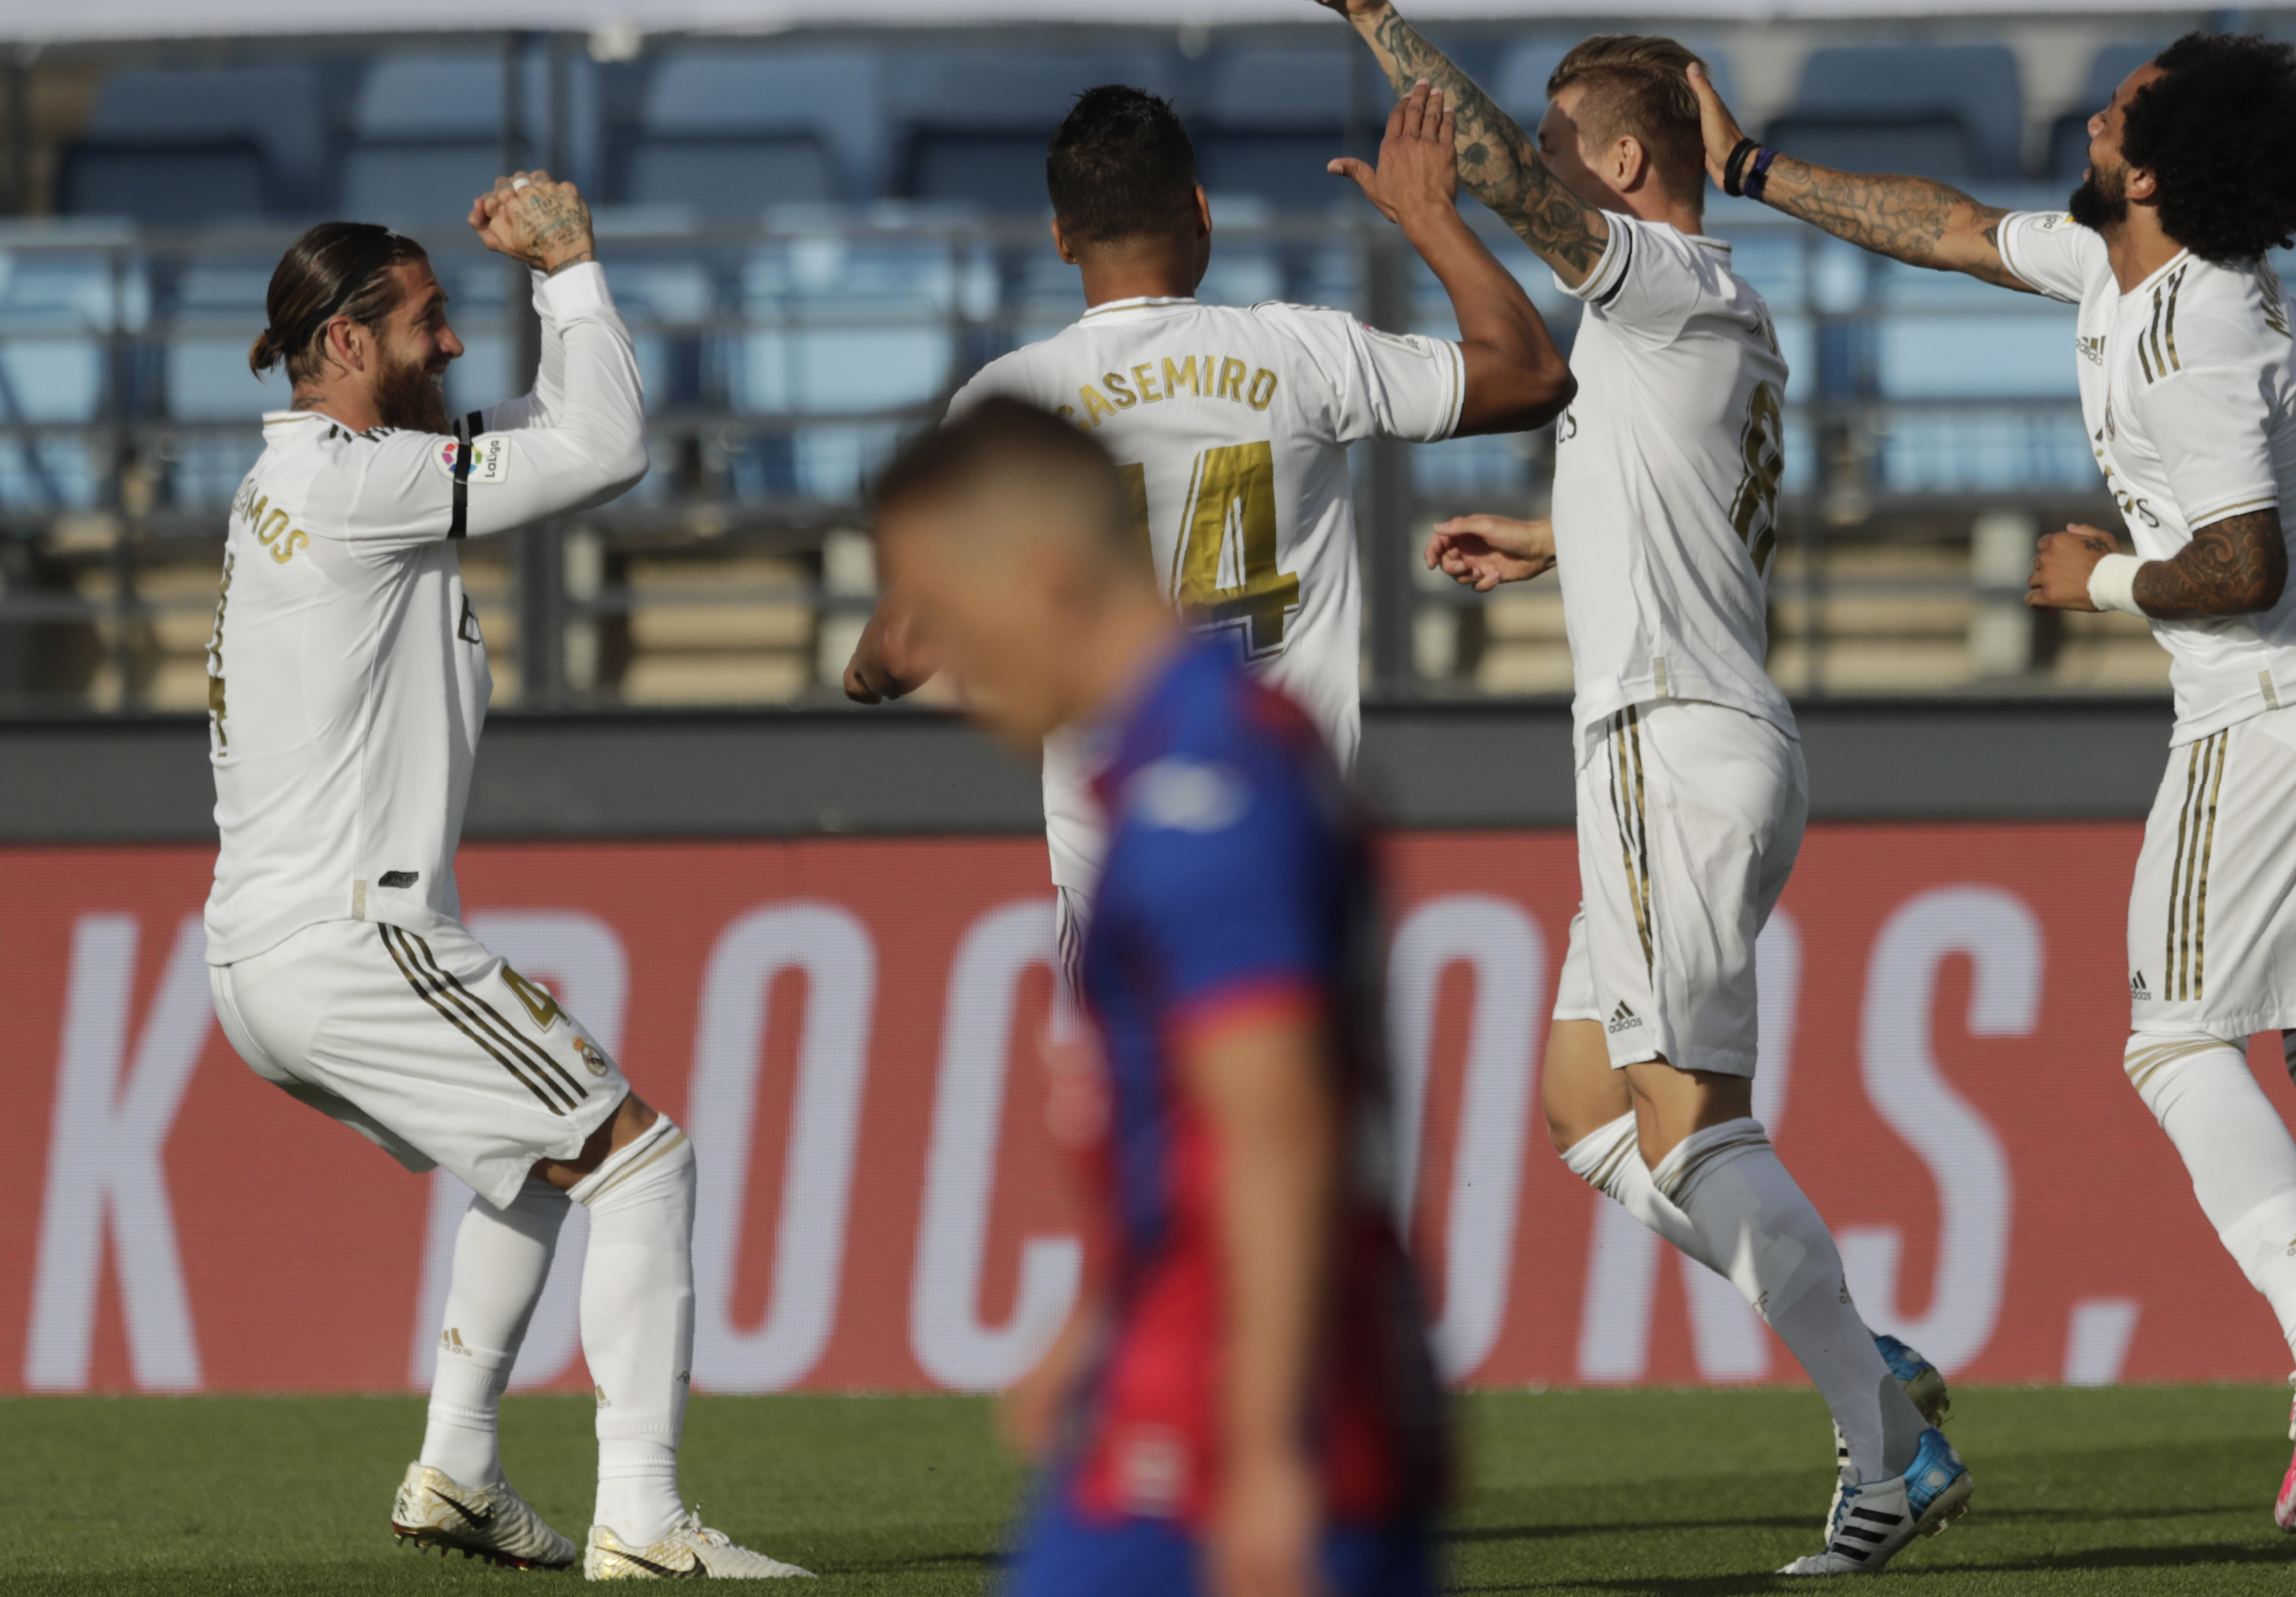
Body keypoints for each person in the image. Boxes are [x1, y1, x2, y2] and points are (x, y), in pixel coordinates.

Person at [1684, 34, 2296, 1530]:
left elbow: (2243, 562)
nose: (2088, 116)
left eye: (2115, 111)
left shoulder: (2187, 328)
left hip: (2282, 706)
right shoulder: (2125, 267)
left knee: (2170, 1042)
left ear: (2148, 169)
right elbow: (1950, 228)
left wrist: (2098, 585)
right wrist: (1754, 170)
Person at [1269, 0, 1965, 1576]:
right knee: (1588, 1107)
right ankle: (1866, 1368)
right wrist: (1544, 535)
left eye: (1573, 141)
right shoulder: (1665, 330)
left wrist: (1371, 10)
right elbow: (1676, 512)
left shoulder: (1660, 274)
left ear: (1630, 166)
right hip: (1670, 729)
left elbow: (1505, 178)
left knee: (1694, 1122)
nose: (1546, 169)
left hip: (1672, 738)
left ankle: (1880, 1456)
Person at [205, 181, 808, 1579]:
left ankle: (460, 1469)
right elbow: (602, 445)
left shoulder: (304, 479)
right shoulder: (359, 486)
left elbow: (537, 441)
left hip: (266, 950)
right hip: (355, 933)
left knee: (536, 1166)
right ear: (347, 342)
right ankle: (644, 1520)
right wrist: (573, 270)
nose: (454, 346)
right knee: (643, 1160)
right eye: (429, 323)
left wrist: (553, 312)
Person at [870, 398, 1443, 1597]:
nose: (938, 666)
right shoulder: (1222, 745)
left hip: (1221, 1424)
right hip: (1193, 1379)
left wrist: (1267, 1448)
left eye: (946, 612)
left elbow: (1277, 1125)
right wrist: (1092, 1327)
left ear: (1046, 576)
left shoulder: (1200, 791)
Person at [845, 79, 1572, 977]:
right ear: (1200, 211)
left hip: (1117, 878)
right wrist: (1426, 214)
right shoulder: (1299, 350)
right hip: (1285, 846)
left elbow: (903, 644)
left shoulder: (1011, 402)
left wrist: (869, 665)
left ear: (1060, 236)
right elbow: (1533, 375)